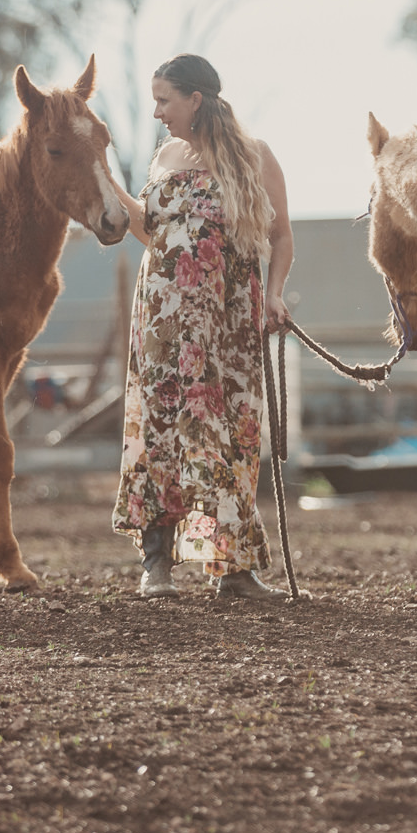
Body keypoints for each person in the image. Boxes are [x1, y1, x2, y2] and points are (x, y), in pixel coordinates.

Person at [109, 54, 295, 600]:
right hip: (163, 319)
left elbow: (281, 235)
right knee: (161, 429)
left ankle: (229, 567)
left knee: (228, 432)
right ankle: (157, 564)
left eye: (164, 100)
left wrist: (275, 294)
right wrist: (109, 182)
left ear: (195, 100)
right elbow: (151, 231)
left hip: (228, 321)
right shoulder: (165, 156)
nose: (157, 113)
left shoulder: (254, 156)